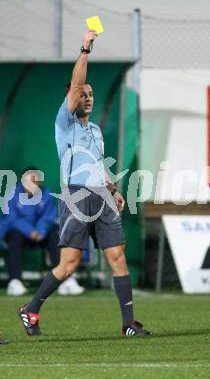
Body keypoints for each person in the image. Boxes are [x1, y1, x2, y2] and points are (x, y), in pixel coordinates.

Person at [18, 30, 150, 337]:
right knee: (69, 264)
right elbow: (76, 84)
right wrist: (85, 49)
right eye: (82, 95)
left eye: (91, 95)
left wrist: (115, 190)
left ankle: (128, 323)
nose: (87, 98)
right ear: (72, 98)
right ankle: (31, 308)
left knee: (117, 257)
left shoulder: (96, 131)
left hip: (101, 196)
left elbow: (98, 165)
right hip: (76, 197)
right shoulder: (63, 123)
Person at [0, 167, 84, 296]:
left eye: (36, 180)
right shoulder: (11, 195)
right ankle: (15, 281)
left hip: (40, 235)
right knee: (14, 237)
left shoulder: (47, 195)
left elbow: (49, 217)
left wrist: (40, 230)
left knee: (55, 237)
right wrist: (30, 231)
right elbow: (11, 218)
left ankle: (65, 280)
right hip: (19, 234)